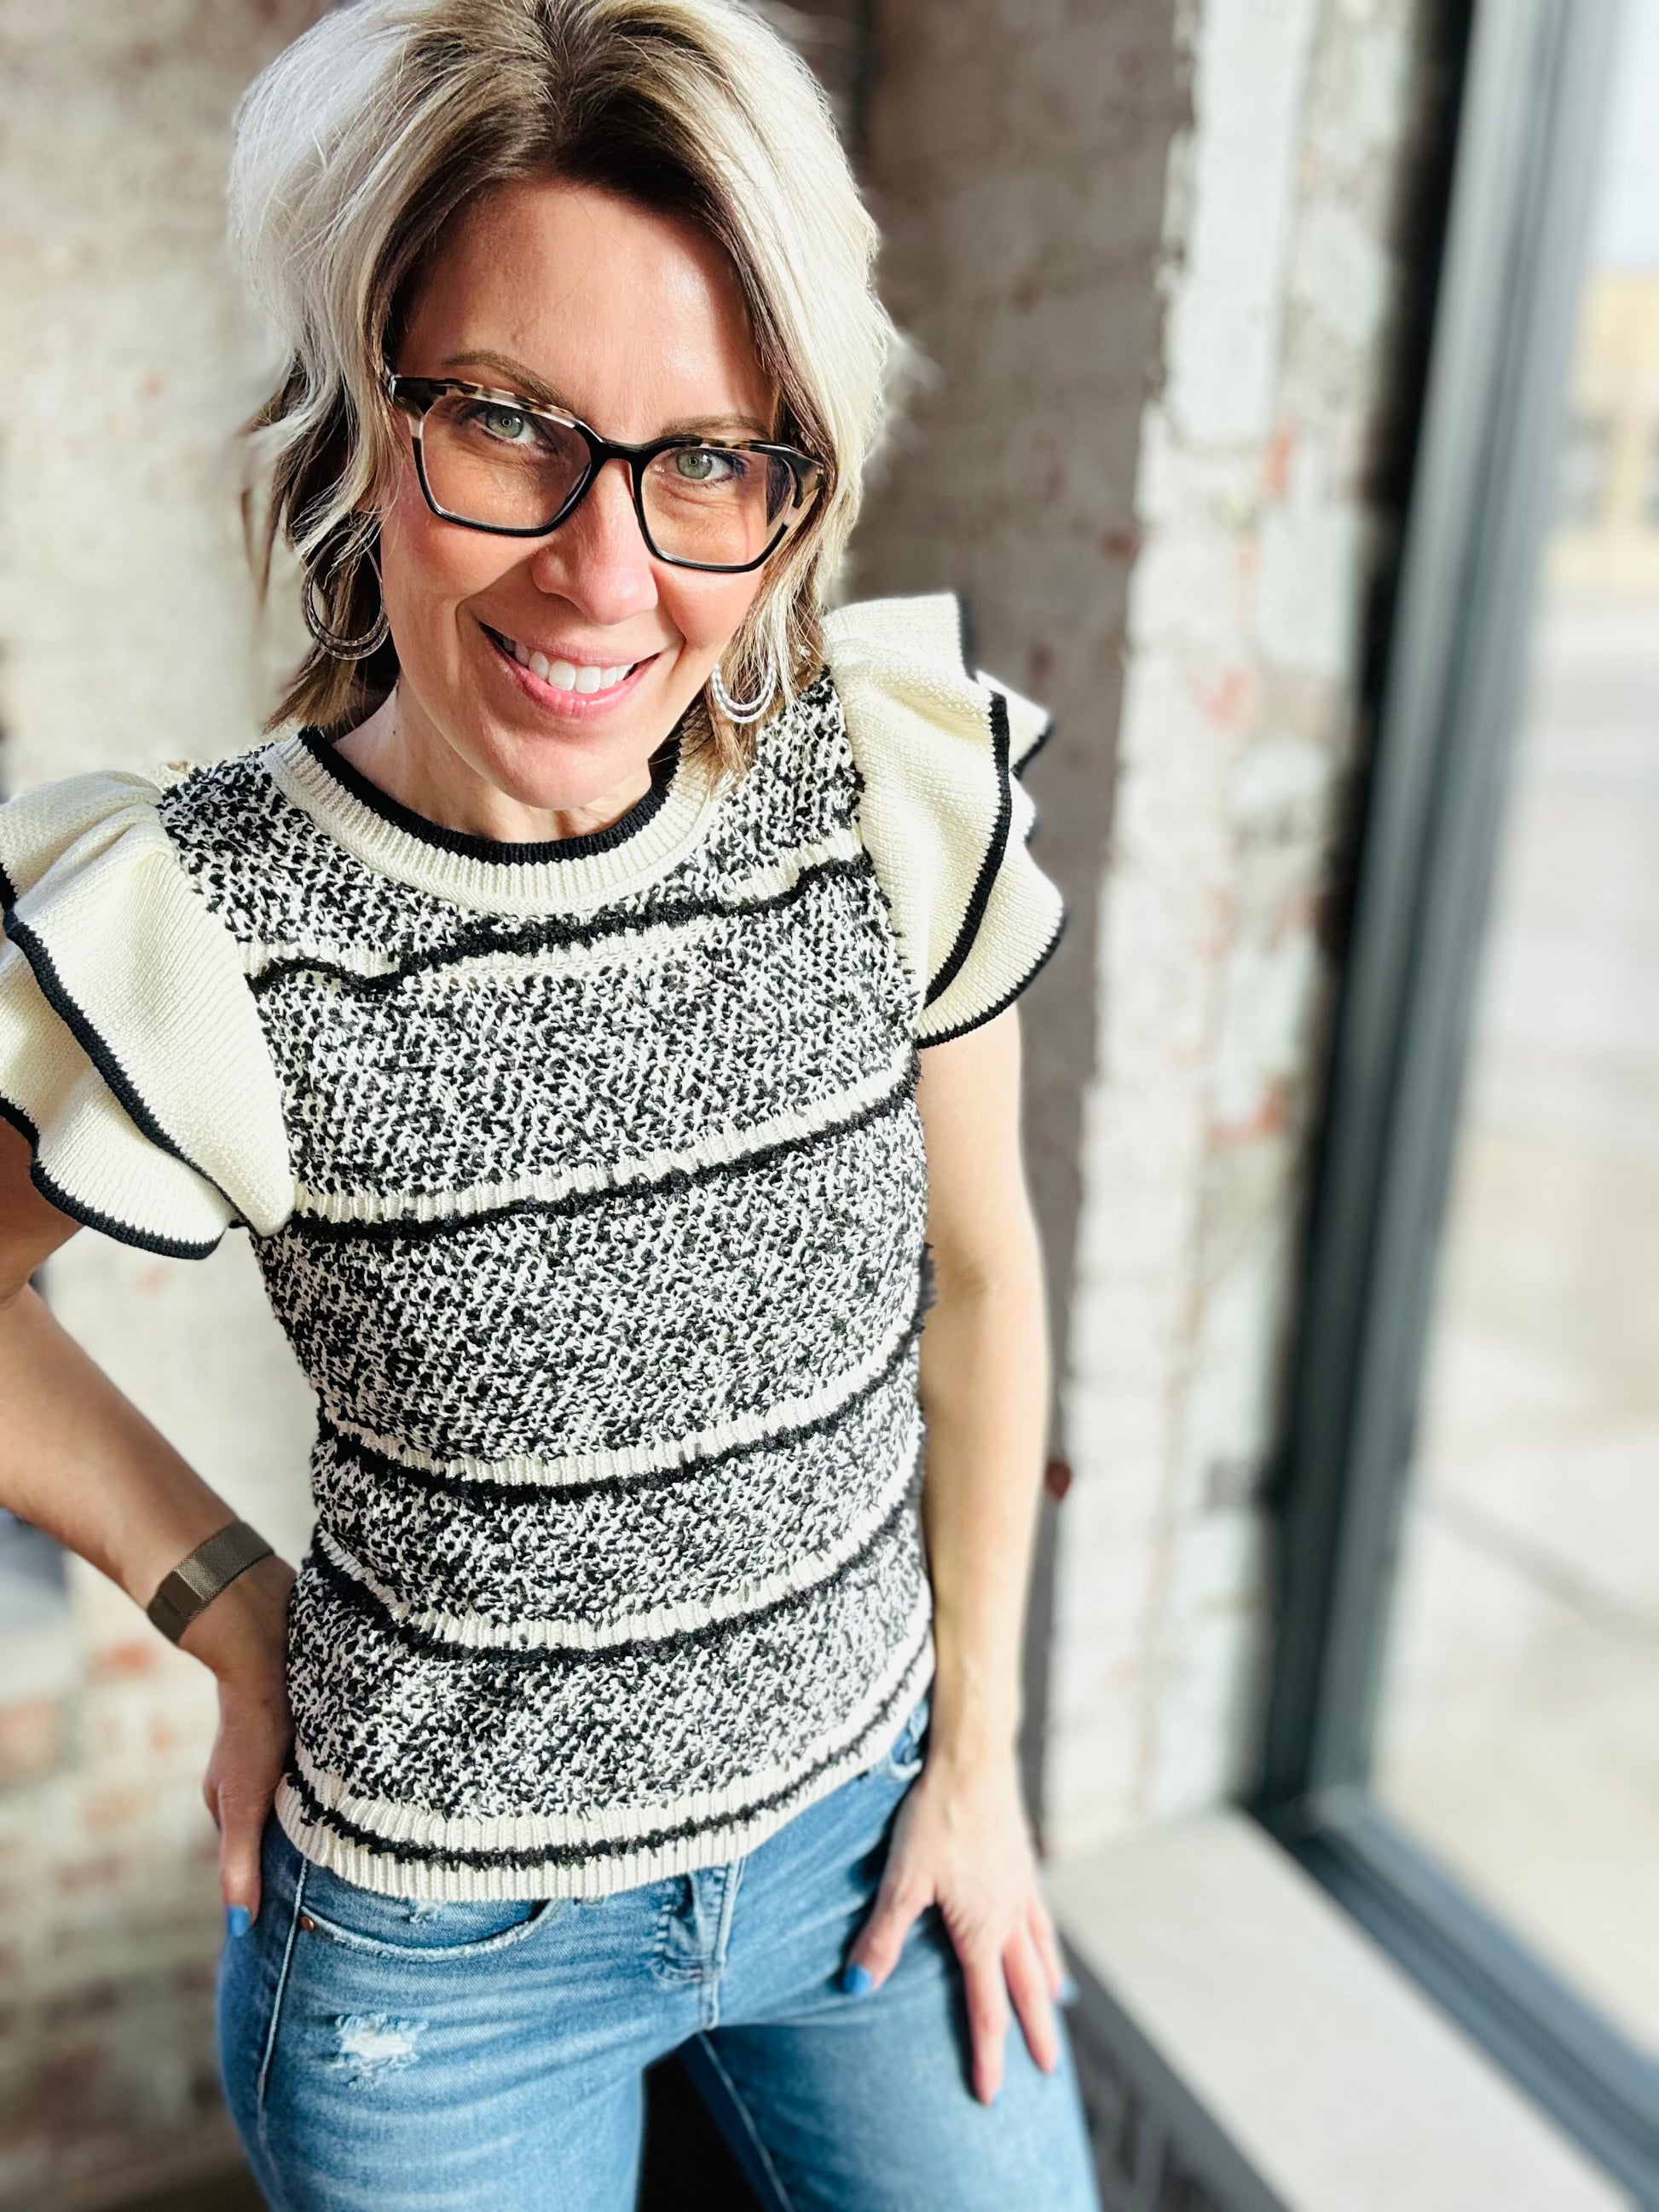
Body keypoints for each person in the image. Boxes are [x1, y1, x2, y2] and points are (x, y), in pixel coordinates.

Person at [0, 3, 1097, 2205]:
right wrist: (227, 1602)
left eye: (711, 459)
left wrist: (978, 1762)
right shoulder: (205, 921)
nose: (607, 576)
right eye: (509, 425)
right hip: (442, 1981)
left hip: (873, 1847)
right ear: (361, 405)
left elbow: (976, 1284)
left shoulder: (888, 787)